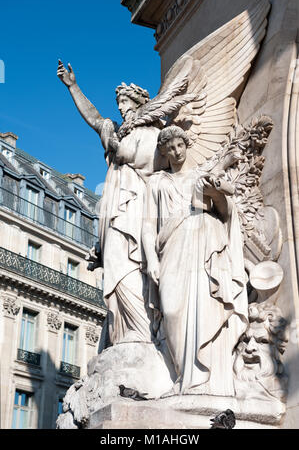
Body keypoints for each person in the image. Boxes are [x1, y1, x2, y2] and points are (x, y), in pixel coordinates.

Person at [57, 61, 167, 349]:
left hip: (135, 204)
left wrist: (123, 151)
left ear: (140, 103)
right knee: (116, 262)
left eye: (126, 101)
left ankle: (141, 331)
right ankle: (122, 334)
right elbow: (95, 119)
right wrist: (73, 87)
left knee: (130, 262)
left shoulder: (150, 132)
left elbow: (153, 164)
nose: (121, 107)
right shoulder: (116, 131)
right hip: (113, 207)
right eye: (118, 102)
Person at [142, 125, 248, 395]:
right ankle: (183, 375)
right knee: (173, 311)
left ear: (186, 146)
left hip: (204, 245)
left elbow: (226, 212)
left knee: (205, 305)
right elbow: (147, 226)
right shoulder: (157, 182)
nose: (176, 152)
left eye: (180, 146)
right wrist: (151, 260)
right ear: (163, 152)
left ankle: (205, 379)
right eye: (170, 149)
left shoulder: (201, 175)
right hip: (170, 249)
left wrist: (215, 195)